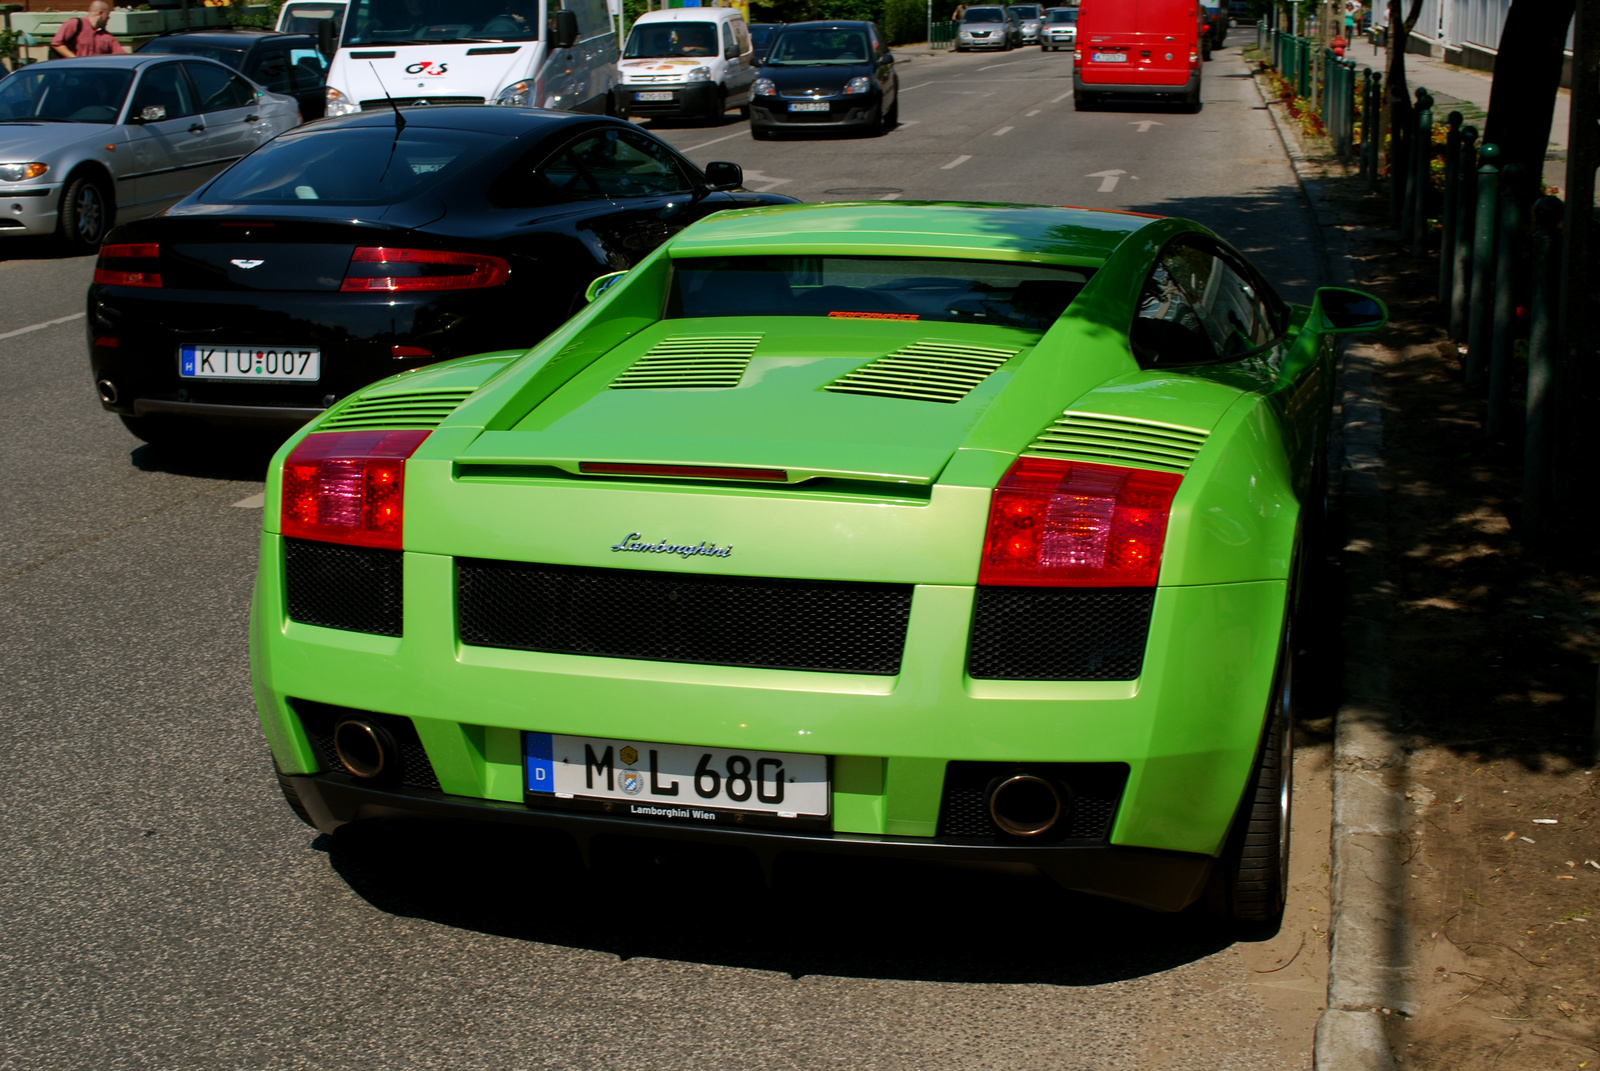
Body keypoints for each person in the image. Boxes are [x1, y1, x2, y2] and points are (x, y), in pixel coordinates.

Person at [51, 1, 126, 58]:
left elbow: (121, 56)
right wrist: (75, 60)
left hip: (94, 75)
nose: (108, 18)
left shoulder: (107, 37)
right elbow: (57, 44)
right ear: (100, 13)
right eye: (108, 15)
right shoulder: (75, 24)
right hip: (73, 74)